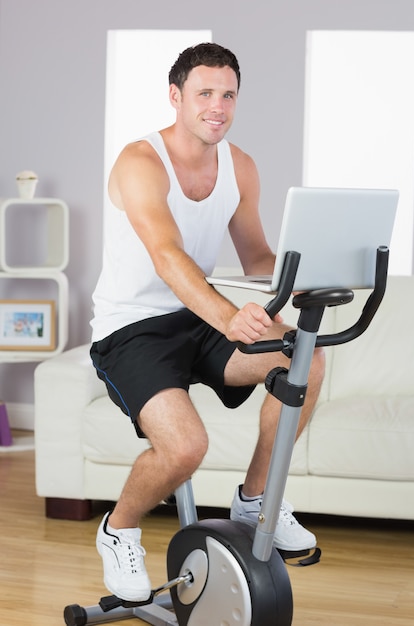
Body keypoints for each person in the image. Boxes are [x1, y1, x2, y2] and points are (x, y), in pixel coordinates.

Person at [90, 42, 325, 603]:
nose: (217, 106)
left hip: (195, 317)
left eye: (228, 95)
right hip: (132, 329)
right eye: (204, 93)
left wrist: (305, 273)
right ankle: (118, 529)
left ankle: (256, 499)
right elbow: (167, 257)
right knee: (186, 447)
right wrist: (227, 315)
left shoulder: (239, 166)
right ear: (176, 97)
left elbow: (258, 259)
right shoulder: (140, 161)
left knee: (305, 358)